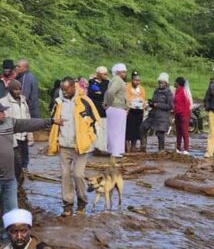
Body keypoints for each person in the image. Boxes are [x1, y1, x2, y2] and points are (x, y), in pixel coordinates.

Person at [48, 77, 100, 216]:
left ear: (73, 87)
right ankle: (68, 205)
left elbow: (95, 122)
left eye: (66, 90)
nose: (64, 92)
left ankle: (82, 202)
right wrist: (55, 141)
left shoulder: (85, 101)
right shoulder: (58, 103)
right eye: (62, 90)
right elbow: (53, 121)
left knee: (78, 174)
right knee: (65, 175)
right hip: (64, 145)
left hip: (81, 147)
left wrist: (90, 140)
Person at [0, 102, 56, 217]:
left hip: (9, 179)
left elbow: (28, 124)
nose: (4, 113)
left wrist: (50, 121)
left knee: (12, 214)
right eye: (1, 112)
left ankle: (8, 235)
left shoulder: (9, 123)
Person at [4, 80, 33, 178]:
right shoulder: (4, 102)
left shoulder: (24, 101)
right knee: (16, 164)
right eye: (15, 89)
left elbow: (27, 117)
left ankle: (20, 185)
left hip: (23, 136)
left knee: (24, 162)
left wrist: (30, 134)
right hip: (12, 137)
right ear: (10, 90)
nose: (18, 91)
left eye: (19, 89)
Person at [142, 73, 173, 153]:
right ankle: (143, 147)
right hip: (153, 115)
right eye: (159, 82)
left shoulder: (169, 93)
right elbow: (154, 100)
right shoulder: (156, 91)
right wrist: (151, 103)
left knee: (160, 133)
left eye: (162, 83)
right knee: (143, 127)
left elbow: (170, 106)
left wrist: (157, 105)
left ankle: (161, 150)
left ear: (166, 83)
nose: (160, 84)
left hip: (162, 117)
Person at [104, 63, 128, 158]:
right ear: (118, 72)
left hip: (116, 107)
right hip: (116, 107)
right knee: (117, 131)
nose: (125, 73)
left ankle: (115, 150)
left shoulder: (115, 80)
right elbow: (110, 92)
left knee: (115, 130)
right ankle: (116, 152)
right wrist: (109, 103)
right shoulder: (118, 80)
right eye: (123, 71)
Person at [125, 72, 146, 153]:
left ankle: (133, 146)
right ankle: (126, 146)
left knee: (136, 130)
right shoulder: (127, 87)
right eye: (135, 80)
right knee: (128, 129)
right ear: (132, 80)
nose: (137, 82)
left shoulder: (141, 89)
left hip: (139, 111)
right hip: (130, 111)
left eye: (138, 80)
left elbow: (143, 99)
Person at [173, 77, 191, 155]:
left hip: (184, 114)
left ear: (178, 83)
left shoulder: (184, 91)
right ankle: (178, 147)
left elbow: (187, 104)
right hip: (177, 114)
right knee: (178, 132)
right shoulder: (176, 91)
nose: (174, 83)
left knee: (184, 132)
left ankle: (186, 149)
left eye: (175, 82)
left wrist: (184, 113)